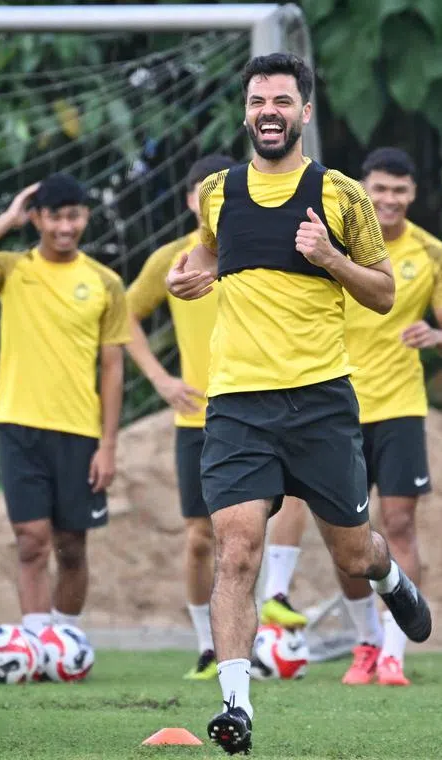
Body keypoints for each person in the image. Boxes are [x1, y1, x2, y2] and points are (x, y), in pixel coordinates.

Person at [165, 53, 432, 755]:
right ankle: (235, 706)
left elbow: (383, 292)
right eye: (259, 102)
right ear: (247, 111)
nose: (270, 112)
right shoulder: (219, 192)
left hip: (319, 404)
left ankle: (390, 575)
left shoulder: (341, 195)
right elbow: (218, 253)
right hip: (238, 405)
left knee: (351, 555)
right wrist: (196, 276)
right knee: (237, 550)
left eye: (282, 101)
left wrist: (331, 260)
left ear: (305, 112)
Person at [262, 147, 442, 687]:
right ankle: (365, 642)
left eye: (400, 191)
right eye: (380, 189)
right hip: (337, 407)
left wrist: (438, 336)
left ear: (413, 195)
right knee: (345, 534)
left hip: (400, 408)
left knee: (399, 523)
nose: (390, 200)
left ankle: (395, 651)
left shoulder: (432, 252)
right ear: (364, 189)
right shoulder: (325, 239)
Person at [0, 173, 129, 636]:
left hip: (79, 432)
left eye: (74, 216)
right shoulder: (13, 269)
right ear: (38, 219)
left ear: (85, 217)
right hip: (18, 426)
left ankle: (64, 641)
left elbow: (112, 368)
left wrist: (108, 444)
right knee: (31, 542)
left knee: (71, 546)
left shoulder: (105, 283)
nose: (65, 227)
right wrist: (9, 217)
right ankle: (34, 645)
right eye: (55, 217)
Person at [124, 152, 244, 679]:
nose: (208, 200)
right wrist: (160, 378)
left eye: (217, 189)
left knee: (245, 537)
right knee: (200, 537)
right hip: (197, 421)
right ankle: (206, 647)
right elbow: (123, 316)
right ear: (189, 198)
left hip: (254, 411)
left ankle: (250, 645)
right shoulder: (170, 259)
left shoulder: (255, 251)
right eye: (200, 191)